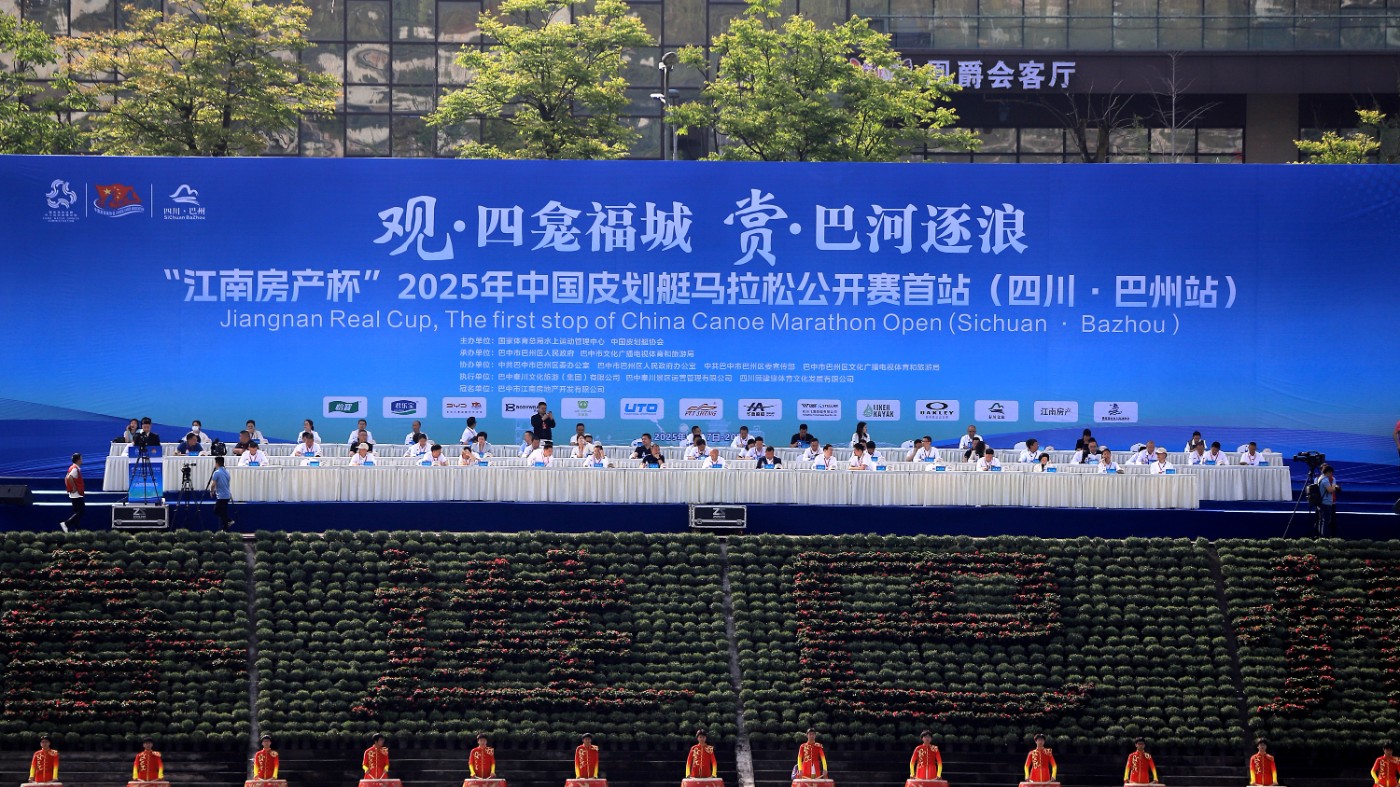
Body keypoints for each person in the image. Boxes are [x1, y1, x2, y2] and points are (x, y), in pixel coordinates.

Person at [208, 456, 234, 531]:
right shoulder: (226, 472)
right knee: (223, 512)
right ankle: (225, 529)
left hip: (221, 496)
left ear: (217, 463)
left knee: (216, 511)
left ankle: (229, 520)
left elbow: (213, 484)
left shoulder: (217, 472)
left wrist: (211, 491)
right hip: (227, 494)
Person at [61, 453, 84, 533]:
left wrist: (69, 488)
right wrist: (74, 487)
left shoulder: (72, 467)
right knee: (81, 511)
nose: (82, 460)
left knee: (76, 512)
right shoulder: (75, 468)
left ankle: (78, 530)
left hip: (74, 493)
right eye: (81, 459)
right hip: (77, 493)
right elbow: (69, 477)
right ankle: (66, 524)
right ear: (78, 460)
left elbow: (66, 477)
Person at [1317, 463, 1339, 537]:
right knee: (1326, 521)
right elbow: (1330, 490)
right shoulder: (1325, 480)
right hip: (1325, 502)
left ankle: (1320, 537)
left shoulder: (1320, 478)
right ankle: (1324, 537)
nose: (1331, 475)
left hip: (1321, 502)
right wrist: (1335, 486)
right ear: (1328, 472)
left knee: (1321, 521)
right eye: (1331, 473)